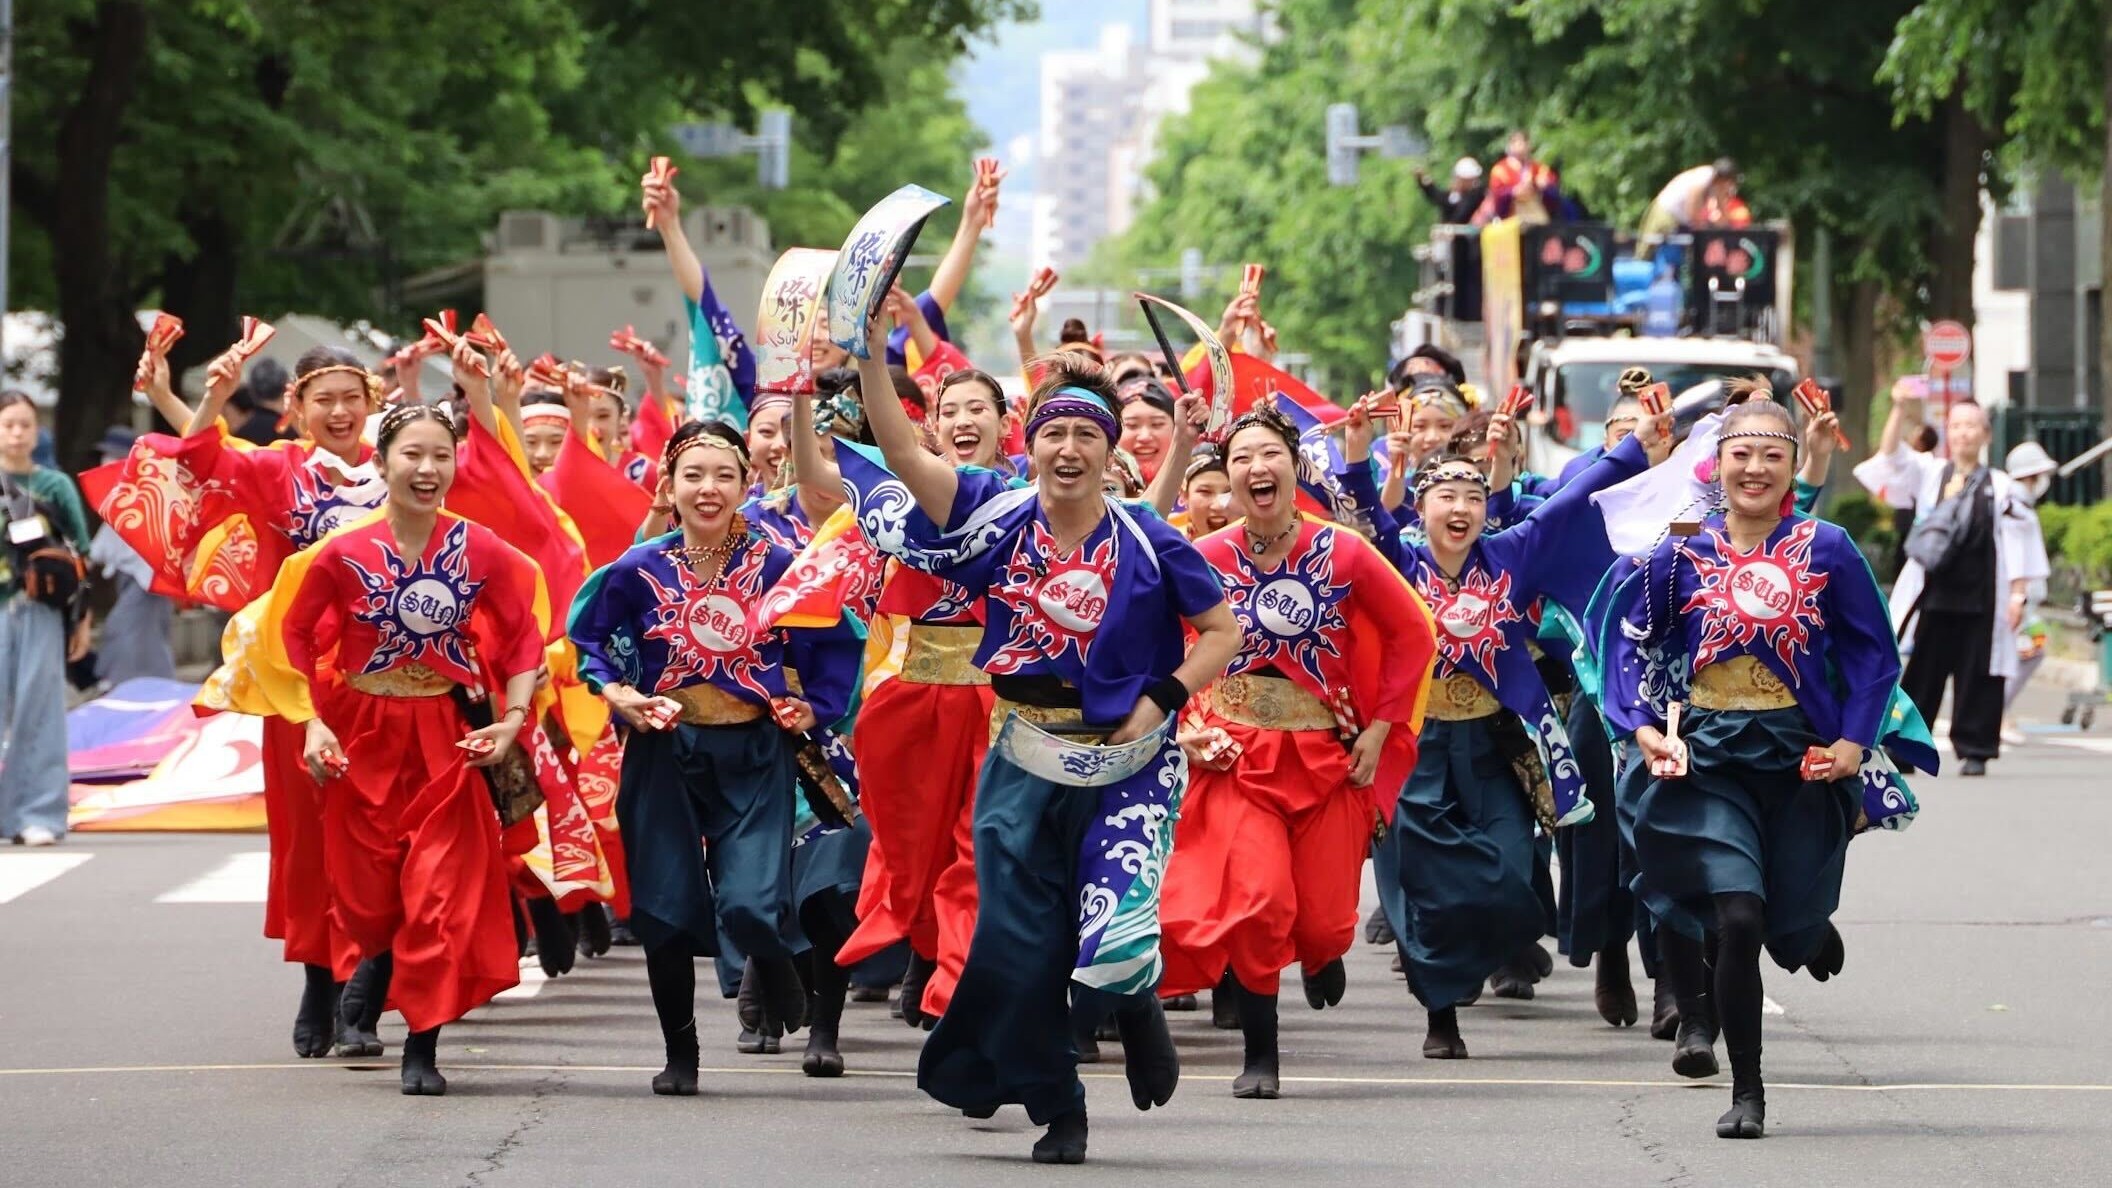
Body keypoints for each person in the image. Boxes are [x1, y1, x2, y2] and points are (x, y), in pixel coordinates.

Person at [838, 319, 1239, 1164]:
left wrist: (1163, 698)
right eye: (1052, 432)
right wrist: (872, 357)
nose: (1067, 449)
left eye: (1085, 436)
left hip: (1129, 765)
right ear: (1030, 445)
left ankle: (1134, 1004)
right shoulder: (992, 512)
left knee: (1117, 931)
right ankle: (1063, 1106)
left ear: (1108, 448)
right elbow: (907, 459)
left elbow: (1219, 631)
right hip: (1022, 759)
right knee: (1020, 948)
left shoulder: (1147, 535)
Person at [1602, 395, 1929, 1139]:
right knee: (1738, 914)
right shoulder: (1682, 544)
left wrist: (1852, 741)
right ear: (1717, 464)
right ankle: (1747, 1089)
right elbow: (1630, 640)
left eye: (1771, 456)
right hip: (1710, 755)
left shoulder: (1828, 545)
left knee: (1786, 909)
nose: (1754, 469)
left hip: (1797, 757)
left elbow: (1874, 655)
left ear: (1791, 467)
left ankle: (1806, 928)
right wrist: (1643, 724)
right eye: (1740, 454)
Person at [84, 343, 391, 1056]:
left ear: (372, 401)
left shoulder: (399, 467)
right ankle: (322, 980)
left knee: (383, 839)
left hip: (385, 682)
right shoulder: (279, 468)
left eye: (352, 397)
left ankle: (365, 991)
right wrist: (188, 396)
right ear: (298, 408)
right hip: (298, 681)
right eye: (325, 399)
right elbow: (202, 462)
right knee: (310, 842)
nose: (340, 412)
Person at [568, 418, 861, 1095]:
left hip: (756, 751)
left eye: (723, 475)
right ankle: (682, 1053)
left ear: (746, 482)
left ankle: (781, 969)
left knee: (753, 903)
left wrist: (813, 706)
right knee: (666, 911)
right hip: (665, 750)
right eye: (693, 475)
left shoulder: (779, 566)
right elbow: (587, 637)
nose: (708, 489)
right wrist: (621, 694)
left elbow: (834, 640)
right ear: (668, 486)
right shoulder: (639, 568)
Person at [1158, 403, 1436, 1099]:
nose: (1257, 468)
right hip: (1237, 755)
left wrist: (1381, 727)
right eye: (1241, 459)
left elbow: (1414, 633)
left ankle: (1322, 952)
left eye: (1269, 455)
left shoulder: (1343, 551)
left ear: (1292, 466)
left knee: (1318, 917)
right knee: (1258, 902)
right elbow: (1165, 641)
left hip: (1327, 755)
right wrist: (1183, 722)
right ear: (1227, 480)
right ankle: (1261, 1052)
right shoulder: (1206, 556)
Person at [1375, 408, 1664, 1060]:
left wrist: (1634, 450)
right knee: (1426, 892)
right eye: (1446, 495)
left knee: (1510, 876)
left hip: (1495, 744)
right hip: (1418, 749)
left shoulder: (1509, 555)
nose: (1461, 506)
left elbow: (1568, 505)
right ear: (1422, 507)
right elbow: (1364, 521)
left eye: (1473, 497)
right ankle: (1441, 1014)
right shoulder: (1397, 562)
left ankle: (1490, 944)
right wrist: (1372, 466)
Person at [277, 402, 547, 1095]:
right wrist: (312, 721)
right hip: (363, 734)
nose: (427, 470)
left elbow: (520, 638)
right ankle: (371, 971)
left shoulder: (481, 548)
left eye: (441, 457)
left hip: (445, 738)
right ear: (381, 463)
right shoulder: (339, 553)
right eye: (412, 455)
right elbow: (296, 637)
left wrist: (513, 719)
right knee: (367, 900)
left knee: (438, 897)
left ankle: (422, 1045)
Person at [1854, 397, 2050, 776]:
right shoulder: (1930, 474)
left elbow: (2020, 540)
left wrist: (2018, 594)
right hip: (1933, 595)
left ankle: (1975, 749)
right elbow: (1891, 458)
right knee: (1923, 672)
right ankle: (1909, 746)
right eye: (1957, 426)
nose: (1963, 433)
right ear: (1949, 433)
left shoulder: (2002, 486)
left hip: (1982, 596)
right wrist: (1897, 409)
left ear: (1985, 434)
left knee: (1981, 673)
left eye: (1971, 426)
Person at [1, 391, 92, 847]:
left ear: (37, 432)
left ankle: (38, 812)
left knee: (40, 712)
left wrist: (82, 621)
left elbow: (81, 556)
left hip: (40, 609)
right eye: (8, 424)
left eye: (24, 425)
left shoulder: (55, 486)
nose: (17, 433)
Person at [84, 427, 176, 689]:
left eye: (112, 458)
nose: (105, 463)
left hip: (149, 582)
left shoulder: (143, 495)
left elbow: (99, 549)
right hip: (136, 580)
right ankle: (144, 687)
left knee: (128, 631)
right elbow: (101, 547)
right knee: (140, 635)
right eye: (104, 458)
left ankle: (138, 688)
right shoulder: (122, 497)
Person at [1999, 441, 2058, 743]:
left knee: (2021, 653)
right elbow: (2015, 555)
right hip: (2017, 600)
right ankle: (1998, 713)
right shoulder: (2014, 507)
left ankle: (1999, 713)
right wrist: (2017, 596)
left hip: (2020, 600)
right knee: (2028, 651)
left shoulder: (2016, 503)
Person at [1640, 158, 1742, 243]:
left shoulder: (1717, 184)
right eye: (1728, 182)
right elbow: (1693, 214)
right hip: (1666, 214)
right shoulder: (1702, 179)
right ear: (1722, 179)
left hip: (1681, 220)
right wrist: (1708, 227)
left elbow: (1723, 213)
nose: (1728, 187)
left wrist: (1727, 229)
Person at [1477, 131, 1563, 225]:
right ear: (1510, 146)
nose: (1519, 146)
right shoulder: (1500, 169)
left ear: (1529, 145)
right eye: (1515, 142)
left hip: (1536, 216)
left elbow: (1554, 191)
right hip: (1511, 218)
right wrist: (1513, 191)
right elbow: (1497, 193)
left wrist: (1545, 187)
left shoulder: (1539, 169)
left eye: (1522, 143)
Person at [1417, 157, 1486, 225]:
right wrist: (1423, 180)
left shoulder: (1478, 196)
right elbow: (1436, 195)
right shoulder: (1453, 197)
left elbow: (1461, 215)